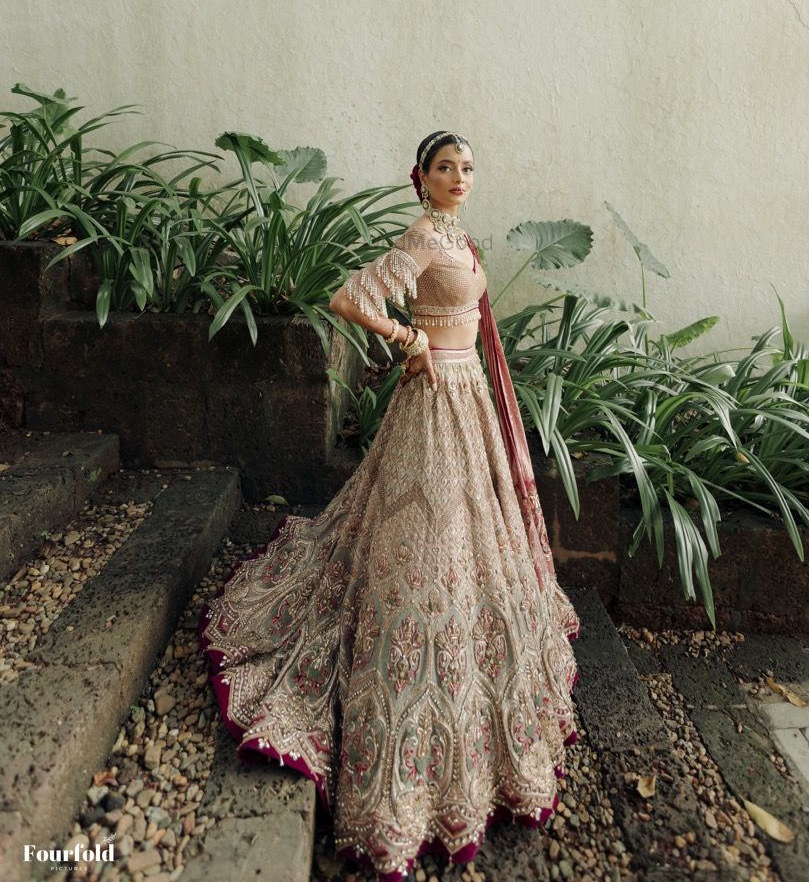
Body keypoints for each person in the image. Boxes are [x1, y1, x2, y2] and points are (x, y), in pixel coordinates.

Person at [198, 129, 581, 880]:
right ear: (421, 177)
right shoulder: (421, 236)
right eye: (447, 168)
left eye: (469, 166)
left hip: (466, 398)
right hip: (435, 399)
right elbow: (349, 297)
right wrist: (409, 336)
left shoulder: (456, 234)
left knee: (471, 535)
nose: (460, 177)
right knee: (424, 539)